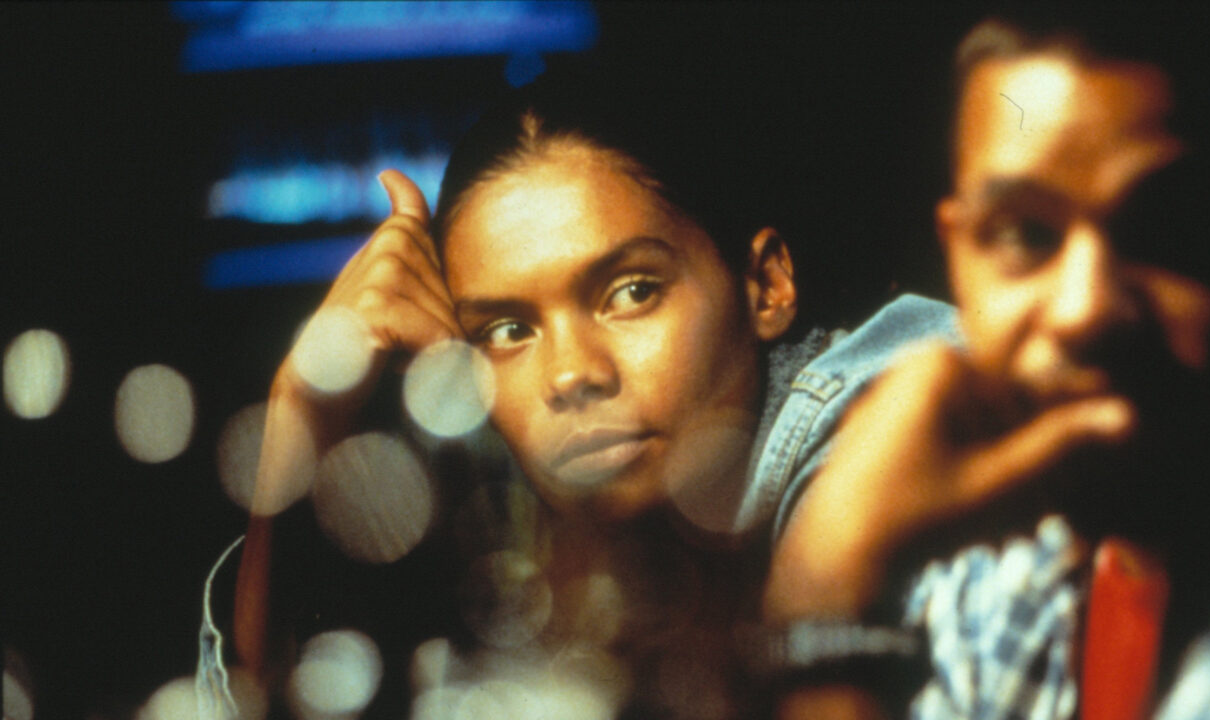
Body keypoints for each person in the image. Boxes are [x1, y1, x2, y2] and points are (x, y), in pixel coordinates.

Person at [232, 66, 958, 716]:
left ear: (765, 286)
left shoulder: (885, 425)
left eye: (632, 292)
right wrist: (303, 407)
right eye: (508, 331)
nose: (572, 375)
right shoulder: (523, 538)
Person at [764, 8, 1210, 720]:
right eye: (1024, 235)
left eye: (1170, 225)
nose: (1083, 309)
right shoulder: (1001, 575)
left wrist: (826, 599)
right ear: (957, 255)